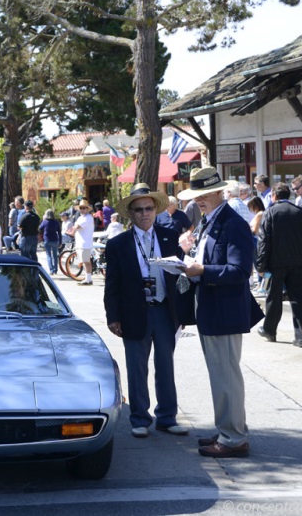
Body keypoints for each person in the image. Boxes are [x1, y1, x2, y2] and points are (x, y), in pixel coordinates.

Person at [179, 167, 264, 458]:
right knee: (221, 374)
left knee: (226, 375)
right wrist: (191, 257)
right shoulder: (212, 221)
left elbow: (240, 271)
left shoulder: (232, 223)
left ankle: (233, 437)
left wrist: (201, 269)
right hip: (212, 307)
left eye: (203, 195)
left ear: (218, 192)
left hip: (223, 309)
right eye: (196, 196)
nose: (198, 201)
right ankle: (229, 429)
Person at [104, 183, 187, 439]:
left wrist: (182, 313)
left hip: (164, 310)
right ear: (131, 213)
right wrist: (113, 316)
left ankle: (167, 417)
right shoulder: (118, 244)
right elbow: (112, 283)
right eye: (138, 209)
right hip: (134, 312)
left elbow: (181, 274)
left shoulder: (169, 237)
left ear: (156, 210)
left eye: (149, 208)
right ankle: (139, 418)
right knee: (137, 367)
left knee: (166, 365)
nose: (144, 213)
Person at [256, 183, 302, 347]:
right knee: (299, 299)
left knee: (273, 298)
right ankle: (301, 337)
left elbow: (263, 242)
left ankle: (270, 329)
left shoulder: (270, 212)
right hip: (298, 262)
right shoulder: (300, 212)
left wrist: (260, 265)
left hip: (276, 263)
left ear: (274, 195)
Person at [71, 200, 95, 285]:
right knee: (84, 262)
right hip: (81, 242)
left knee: (86, 262)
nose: (82, 209)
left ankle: (88, 279)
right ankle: (87, 278)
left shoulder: (88, 217)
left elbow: (77, 226)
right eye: (81, 208)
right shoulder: (80, 217)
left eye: (84, 208)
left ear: (88, 209)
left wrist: (72, 230)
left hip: (85, 243)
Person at [38, 209, 62, 274]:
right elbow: (59, 232)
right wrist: (60, 241)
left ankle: (51, 270)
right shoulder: (56, 222)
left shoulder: (45, 222)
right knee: (55, 255)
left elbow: (40, 228)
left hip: (47, 240)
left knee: (48, 255)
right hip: (55, 240)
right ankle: (56, 269)